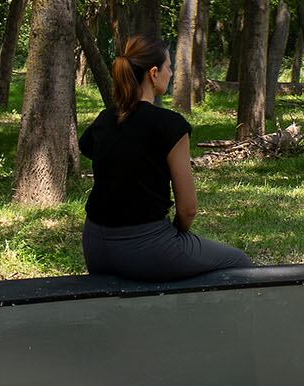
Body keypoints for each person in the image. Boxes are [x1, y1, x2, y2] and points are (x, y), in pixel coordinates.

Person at [76, 32, 247, 282]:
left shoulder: (105, 118)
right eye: (169, 67)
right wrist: (174, 238)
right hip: (146, 248)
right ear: (153, 73)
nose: (172, 73)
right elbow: (188, 209)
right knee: (239, 262)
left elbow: (94, 151)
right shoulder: (170, 125)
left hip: (95, 245)